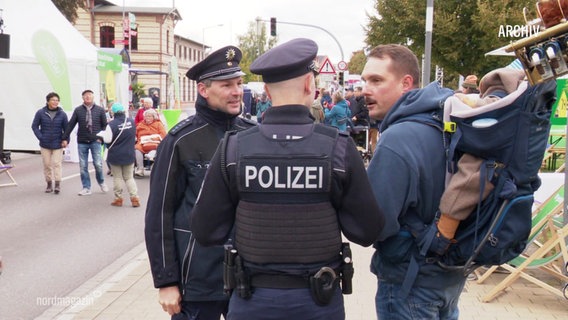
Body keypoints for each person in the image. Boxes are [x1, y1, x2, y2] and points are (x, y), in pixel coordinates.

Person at [191, 38, 385, 320]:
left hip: (252, 301)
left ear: (267, 91)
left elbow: (206, 230)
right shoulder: (339, 148)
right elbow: (367, 231)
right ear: (310, 84)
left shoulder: (234, 148)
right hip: (318, 302)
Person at [144, 45, 256, 320]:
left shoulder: (253, 136)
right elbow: (159, 214)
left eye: (239, 83)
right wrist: (166, 281)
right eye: (227, 85)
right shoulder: (181, 140)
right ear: (204, 90)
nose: (236, 91)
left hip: (248, 279)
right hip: (197, 279)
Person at [362, 44, 466, 319]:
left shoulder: (398, 139)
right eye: (364, 80)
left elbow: (376, 224)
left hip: (409, 285)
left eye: (376, 80)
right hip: (448, 280)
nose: (365, 89)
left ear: (406, 83)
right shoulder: (444, 122)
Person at [63, 89, 109, 196]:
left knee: (98, 164)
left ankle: (101, 182)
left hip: (95, 140)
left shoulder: (100, 110)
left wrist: (101, 138)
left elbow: (105, 126)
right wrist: (65, 138)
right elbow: (71, 125)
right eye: (86, 96)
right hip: (82, 141)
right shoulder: (78, 110)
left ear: (93, 97)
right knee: (83, 166)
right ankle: (86, 187)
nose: (88, 97)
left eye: (90, 96)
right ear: (83, 98)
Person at [99, 102, 140, 207]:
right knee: (129, 177)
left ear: (113, 112)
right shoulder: (131, 122)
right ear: (124, 111)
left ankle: (118, 198)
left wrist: (101, 137)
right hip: (129, 153)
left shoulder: (111, 125)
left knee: (117, 177)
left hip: (115, 154)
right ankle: (134, 198)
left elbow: (108, 139)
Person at [31, 92, 69, 194]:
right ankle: (48, 184)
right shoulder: (40, 113)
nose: (55, 102)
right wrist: (41, 137)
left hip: (58, 143)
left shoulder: (62, 114)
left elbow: (66, 129)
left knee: (57, 164)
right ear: (48, 101)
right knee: (47, 164)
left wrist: (65, 140)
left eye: (57, 100)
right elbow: (34, 126)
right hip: (45, 143)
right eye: (53, 100)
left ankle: (57, 185)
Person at [134, 108, 167, 177]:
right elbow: (135, 134)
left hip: (154, 142)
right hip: (142, 143)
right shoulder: (140, 124)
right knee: (137, 148)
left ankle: (152, 163)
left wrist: (152, 138)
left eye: (149, 116)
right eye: (146, 116)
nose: (147, 118)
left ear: (153, 117)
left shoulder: (158, 124)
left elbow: (163, 135)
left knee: (156, 148)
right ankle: (140, 169)